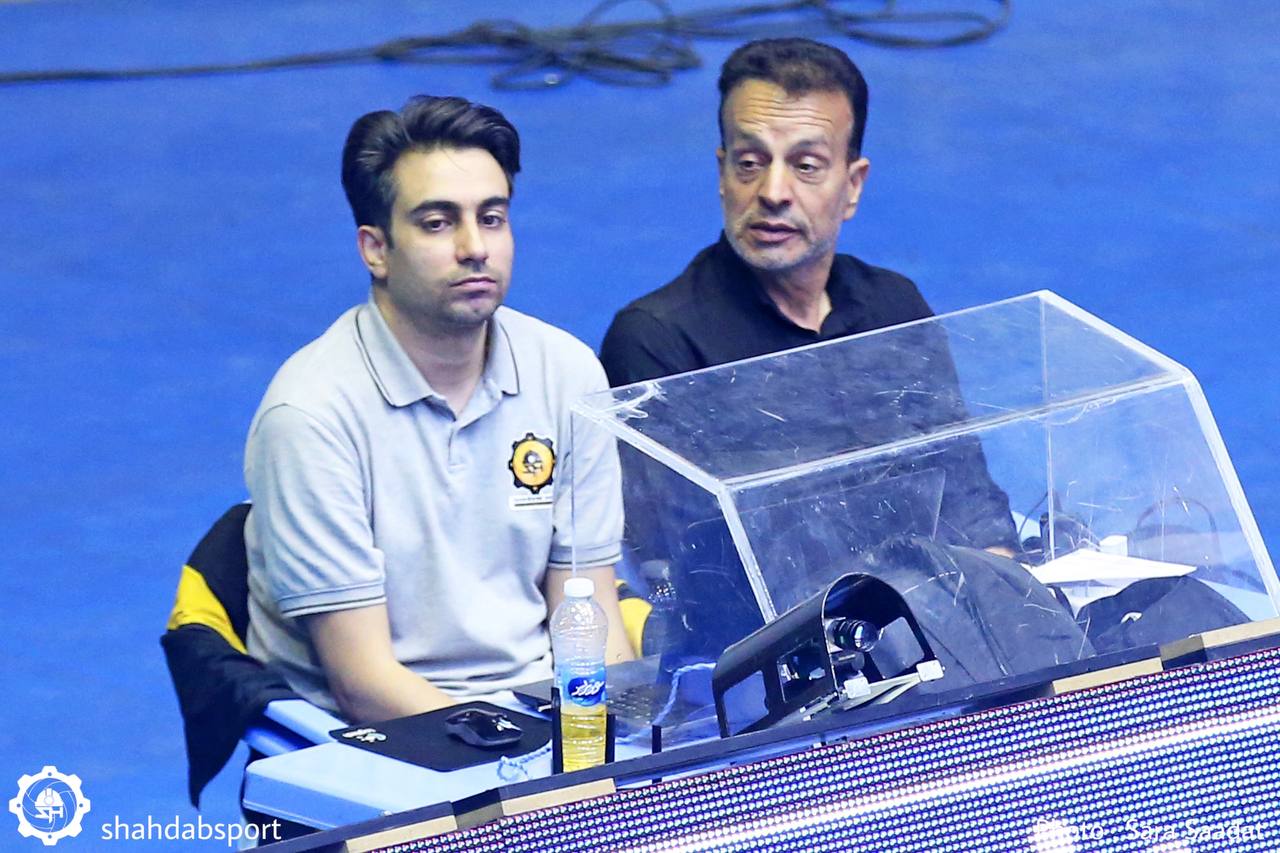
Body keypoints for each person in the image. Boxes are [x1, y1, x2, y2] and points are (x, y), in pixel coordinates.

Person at [244, 96, 633, 724]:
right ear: (375, 249)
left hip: (546, 712)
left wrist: (612, 733)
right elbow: (364, 683)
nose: (475, 247)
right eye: (437, 223)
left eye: (492, 218)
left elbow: (591, 615)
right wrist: (522, 751)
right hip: (386, 740)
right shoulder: (310, 417)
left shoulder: (567, 373)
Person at [600, 38, 1017, 553]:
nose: (773, 192)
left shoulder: (894, 307)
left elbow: (968, 497)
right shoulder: (658, 342)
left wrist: (1001, 582)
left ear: (853, 185)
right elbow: (677, 557)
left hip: (924, 591)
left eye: (806, 165)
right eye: (749, 162)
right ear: (722, 175)